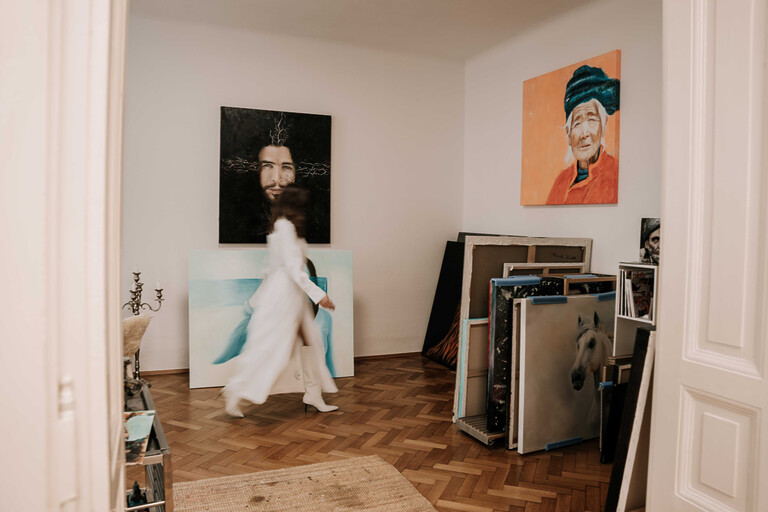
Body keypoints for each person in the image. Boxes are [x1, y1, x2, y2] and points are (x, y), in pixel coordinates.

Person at [222, 184, 338, 417]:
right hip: (284, 296)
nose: (305, 210)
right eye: (302, 205)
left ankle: (313, 394)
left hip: (290, 295)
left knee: (311, 343)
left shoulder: (285, 227)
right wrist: (319, 295)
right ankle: (235, 390)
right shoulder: (284, 227)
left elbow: (271, 267)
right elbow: (294, 269)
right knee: (271, 349)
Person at [546, 65, 620, 205]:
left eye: (591, 120)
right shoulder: (561, 182)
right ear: (568, 135)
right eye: (577, 123)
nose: (584, 134)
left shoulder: (616, 172)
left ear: (603, 126)